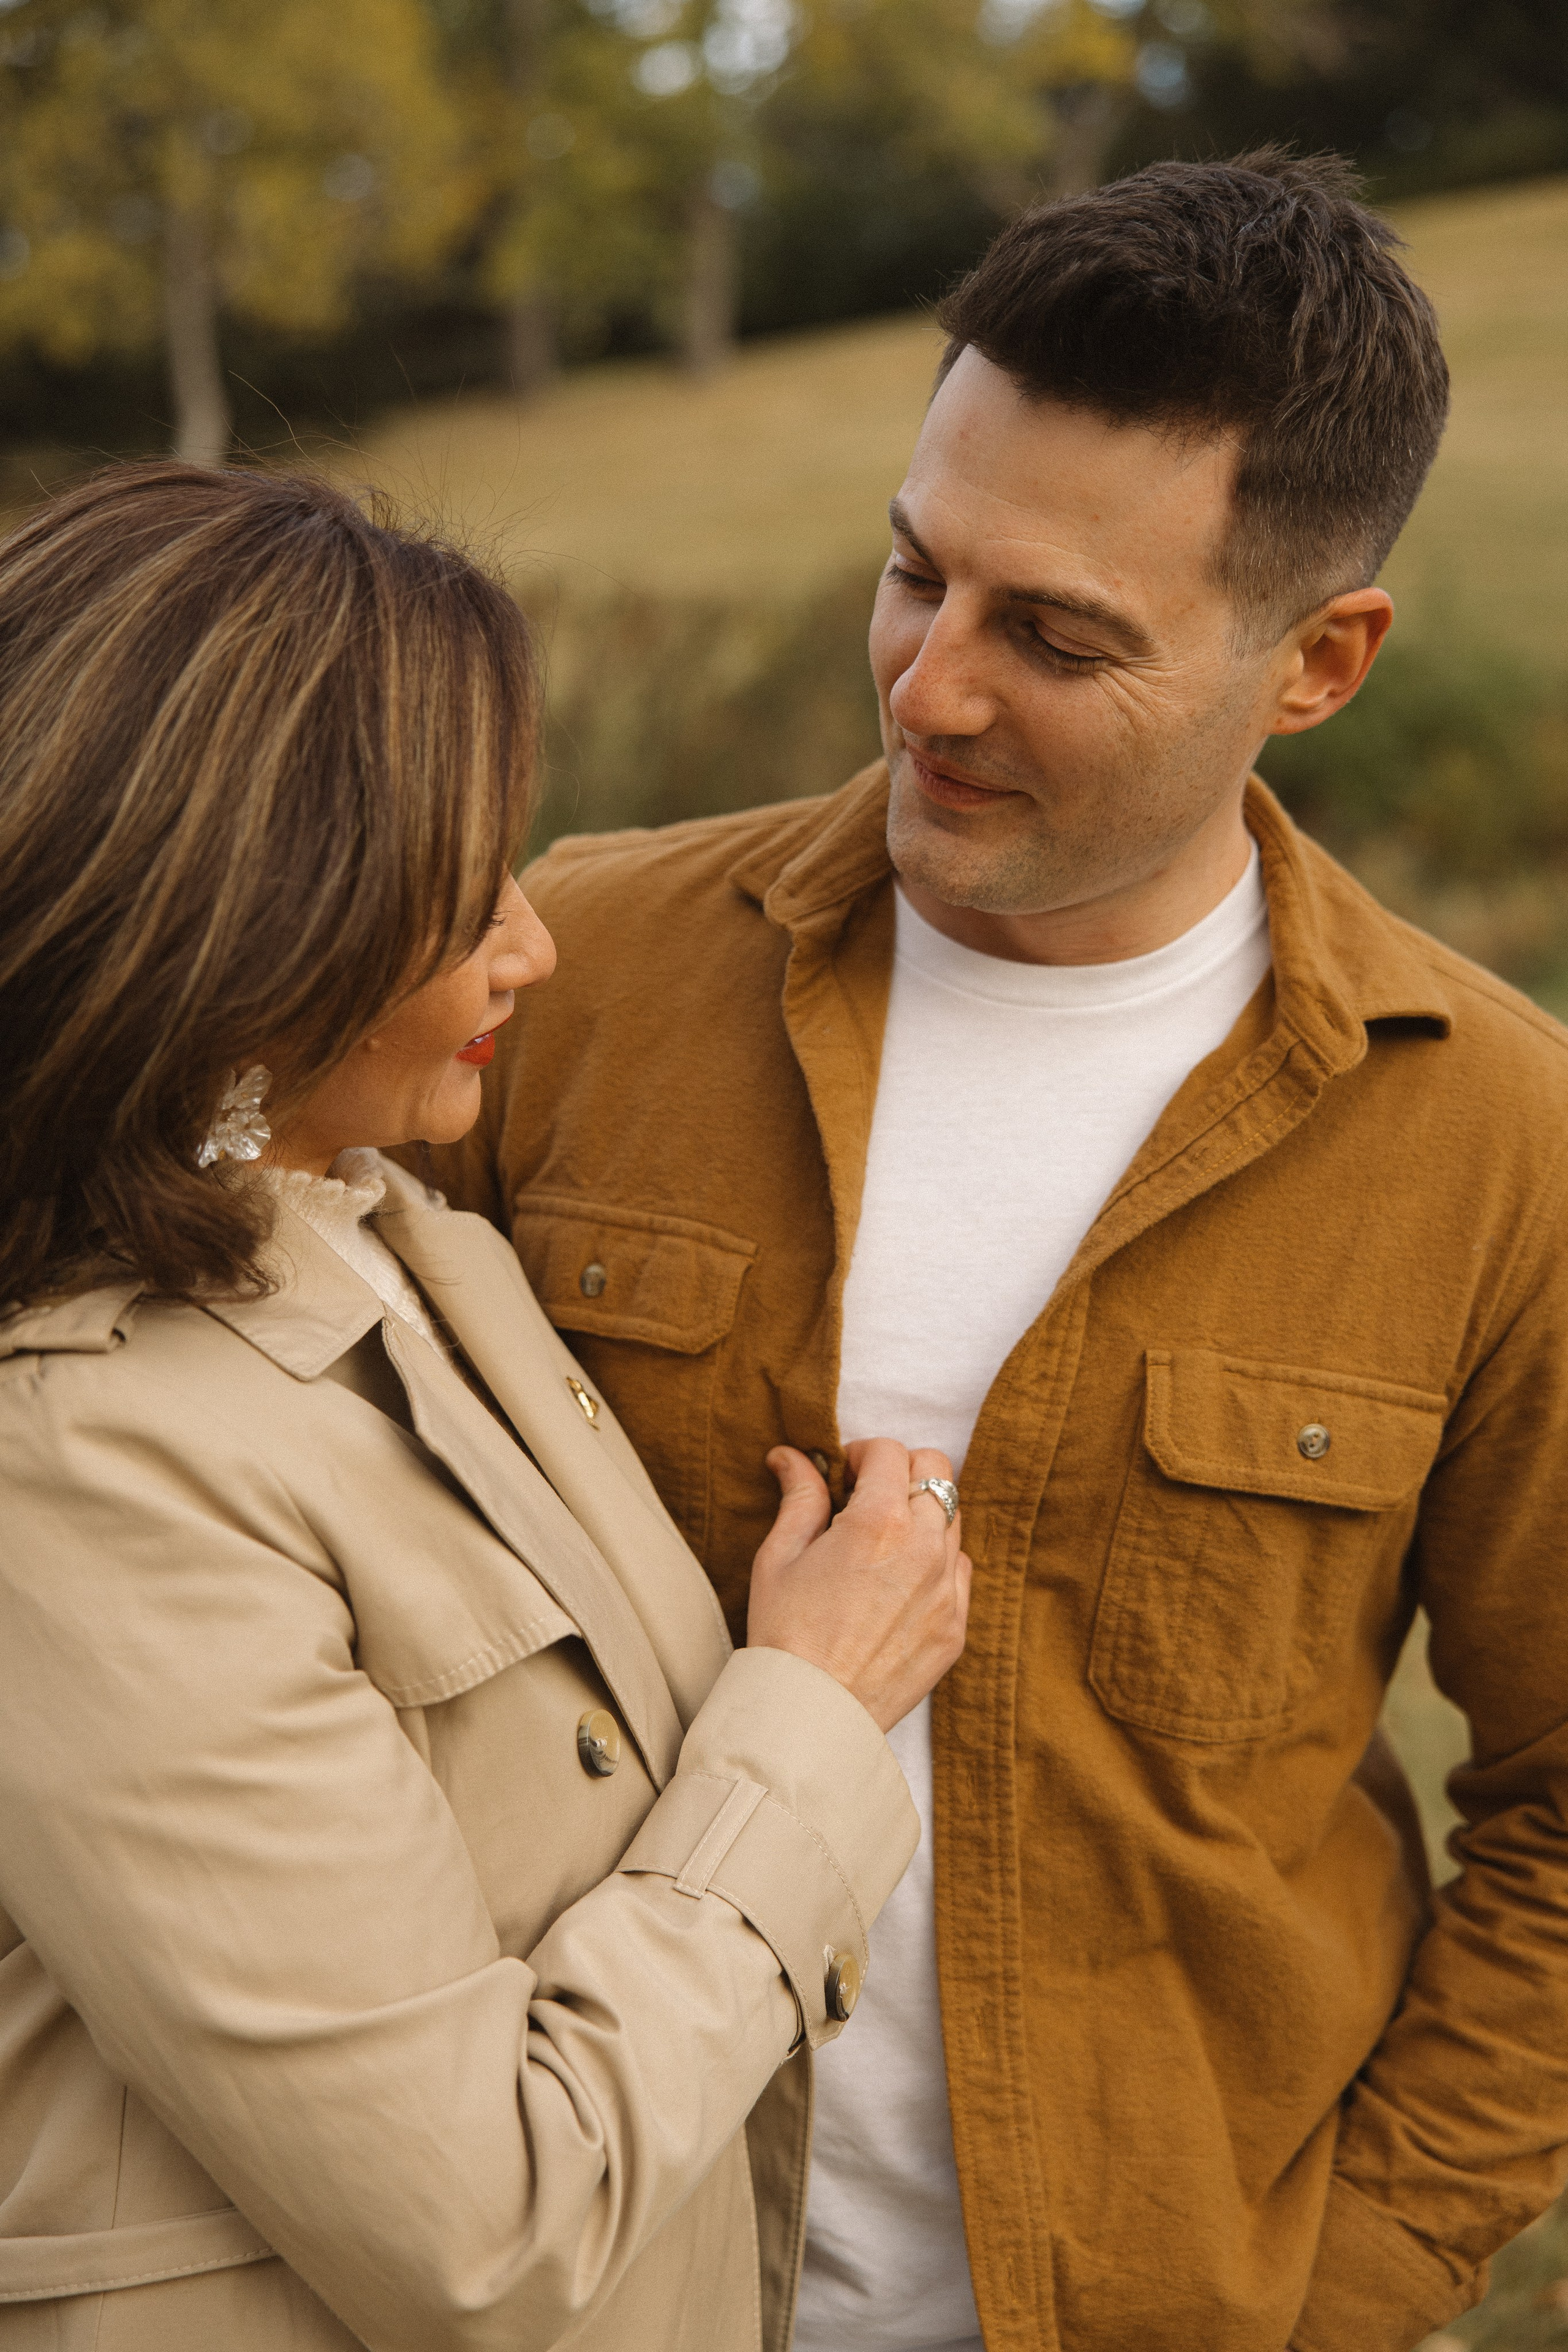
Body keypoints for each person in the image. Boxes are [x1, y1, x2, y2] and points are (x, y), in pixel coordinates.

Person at [426, 148, 1568, 2352]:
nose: (928, 690)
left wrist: (1342, 2290)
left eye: (1054, 637)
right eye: (910, 574)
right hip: (576, 2286)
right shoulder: (573, 970)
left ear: (1318, 662)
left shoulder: (1502, 1145)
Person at [0, 462, 972, 2352]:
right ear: (249, 920)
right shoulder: (80, 1471)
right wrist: (816, 1713)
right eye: (463, 893)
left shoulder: (404, 1247)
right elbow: (489, 2227)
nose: (531, 944)